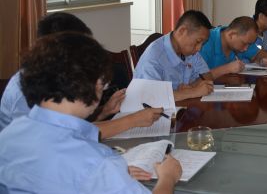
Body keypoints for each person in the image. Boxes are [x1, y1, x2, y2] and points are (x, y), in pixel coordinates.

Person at [0, 32, 182, 193]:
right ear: (94, 85)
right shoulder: (98, 163)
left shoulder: (9, 134)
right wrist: (168, 177)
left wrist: (114, 178)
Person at [0, 12, 163, 138]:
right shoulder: (25, 90)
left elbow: (70, 125)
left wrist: (104, 111)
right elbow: (61, 136)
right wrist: (133, 120)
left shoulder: (55, 74)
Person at [133, 10, 215, 101]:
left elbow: (207, 76)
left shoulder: (190, 52)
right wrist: (192, 92)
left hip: (180, 105)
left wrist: (190, 87)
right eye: (198, 41)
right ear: (182, 31)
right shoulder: (154, 57)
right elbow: (150, 98)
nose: (199, 48)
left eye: (202, 44)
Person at [199, 16, 267, 75]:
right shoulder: (205, 41)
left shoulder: (243, 38)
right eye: (244, 43)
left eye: (249, 44)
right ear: (231, 35)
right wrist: (226, 69)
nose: (246, 48)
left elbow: (257, 54)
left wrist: (263, 60)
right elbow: (198, 77)